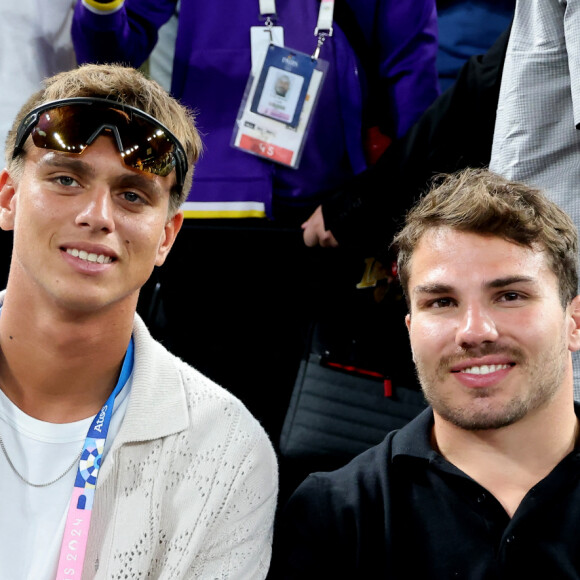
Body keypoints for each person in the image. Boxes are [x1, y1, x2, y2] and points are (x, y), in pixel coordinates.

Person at [0, 63, 277, 579]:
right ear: (9, 197)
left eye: (132, 195)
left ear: (167, 236)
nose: (97, 215)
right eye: (65, 178)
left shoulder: (228, 452)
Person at [270, 168, 580, 577]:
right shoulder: (335, 514)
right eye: (441, 302)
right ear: (411, 329)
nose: (473, 332)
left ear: (574, 320)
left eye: (509, 296)